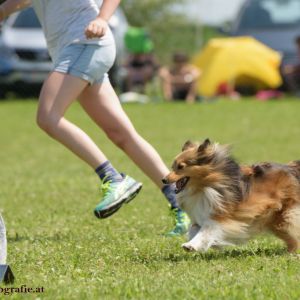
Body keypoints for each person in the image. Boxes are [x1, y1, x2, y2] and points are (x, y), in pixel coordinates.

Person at [0, 0, 189, 236]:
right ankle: (181, 203)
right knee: (122, 135)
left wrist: (102, 18)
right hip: (76, 47)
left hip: (84, 44)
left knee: (48, 116)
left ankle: (112, 177)